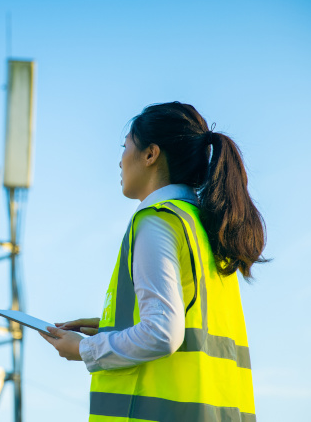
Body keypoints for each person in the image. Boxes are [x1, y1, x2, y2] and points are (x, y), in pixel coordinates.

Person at [41, 102, 266, 422]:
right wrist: (108, 330)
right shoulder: (206, 229)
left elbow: (162, 332)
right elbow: (187, 324)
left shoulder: (157, 222)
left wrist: (84, 350)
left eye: (126, 146)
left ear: (150, 154)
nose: (120, 160)